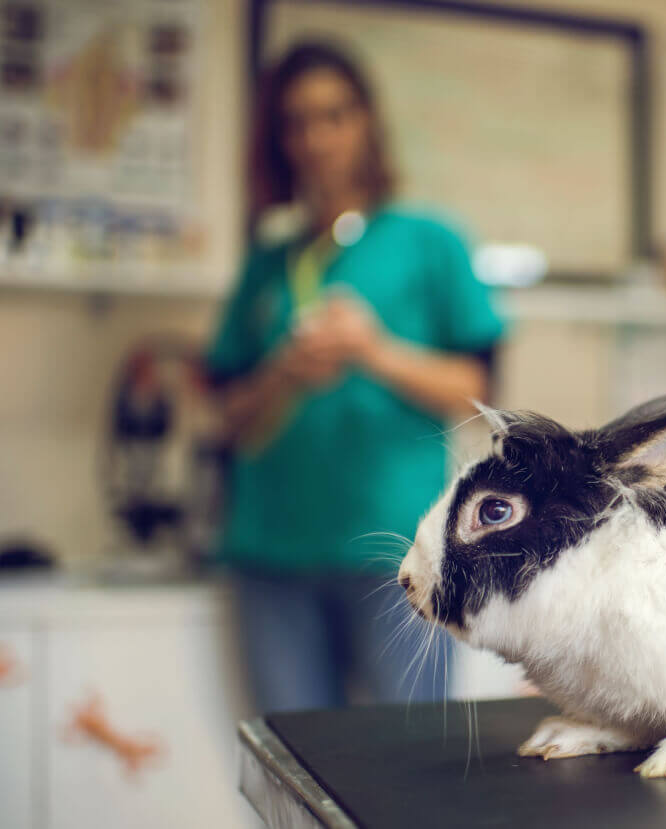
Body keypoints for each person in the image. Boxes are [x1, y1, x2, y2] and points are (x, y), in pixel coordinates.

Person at [206, 41, 504, 712]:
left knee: (411, 758)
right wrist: (283, 373)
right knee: (292, 759)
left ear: (366, 121)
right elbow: (227, 417)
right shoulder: (269, 261)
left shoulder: (432, 242)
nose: (316, 139)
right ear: (278, 139)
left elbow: (479, 392)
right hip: (272, 556)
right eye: (296, 122)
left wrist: (374, 351)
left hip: (397, 552)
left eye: (334, 116)